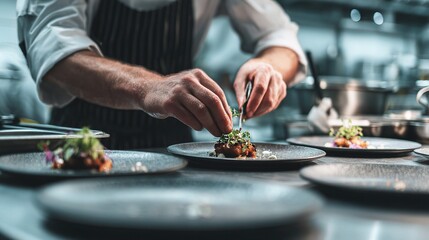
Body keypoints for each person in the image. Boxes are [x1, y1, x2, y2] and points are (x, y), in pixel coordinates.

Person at [17, 0, 307, 149]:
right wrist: (149, 87)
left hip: (174, 154)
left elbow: (279, 37)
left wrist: (268, 67)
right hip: (85, 146)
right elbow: (54, 54)